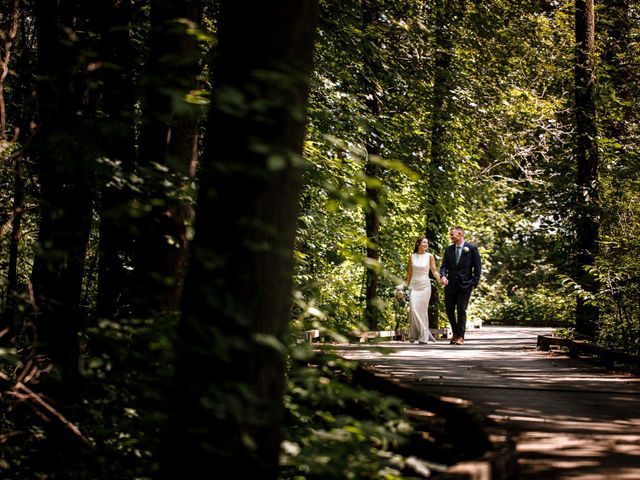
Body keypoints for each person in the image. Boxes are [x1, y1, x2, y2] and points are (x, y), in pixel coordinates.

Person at [439, 226, 481, 345]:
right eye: (450, 234)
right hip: (450, 284)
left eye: (452, 234)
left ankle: (461, 337)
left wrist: (474, 283)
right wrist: (443, 276)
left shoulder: (471, 248)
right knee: (449, 309)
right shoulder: (448, 249)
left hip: (465, 285)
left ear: (460, 234)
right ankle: (455, 333)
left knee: (461, 309)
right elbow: (444, 266)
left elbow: (477, 268)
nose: (450, 236)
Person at [406, 237, 442, 344]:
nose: (426, 244)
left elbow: (434, 271)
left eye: (427, 242)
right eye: (424, 242)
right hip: (413, 287)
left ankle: (423, 336)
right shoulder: (412, 257)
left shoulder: (429, 256)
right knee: (413, 310)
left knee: (422, 312)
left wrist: (441, 279)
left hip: (425, 287)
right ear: (418, 244)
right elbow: (409, 274)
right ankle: (414, 334)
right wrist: (404, 287)